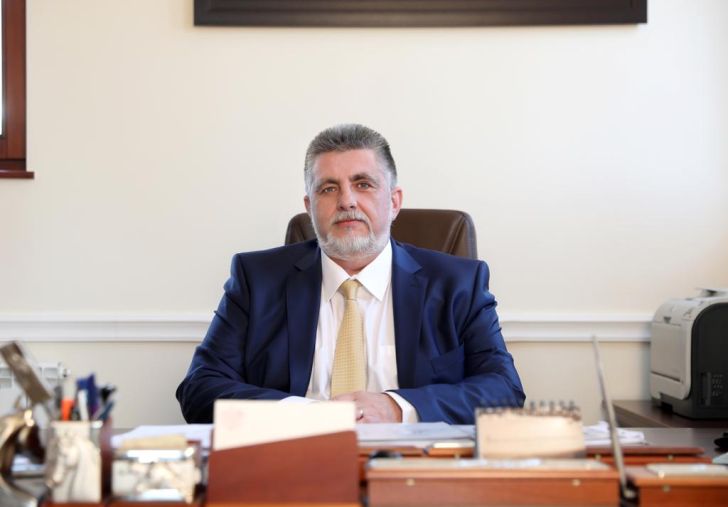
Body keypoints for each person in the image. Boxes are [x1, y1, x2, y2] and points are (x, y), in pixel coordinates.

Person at [176, 124, 524, 424]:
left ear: (394, 202)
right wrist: (306, 414)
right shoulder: (257, 280)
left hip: (414, 464)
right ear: (310, 207)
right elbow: (200, 388)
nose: (347, 201)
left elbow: (504, 390)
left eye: (363, 184)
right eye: (328, 188)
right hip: (295, 460)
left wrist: (396, 408)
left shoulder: (458, 283)